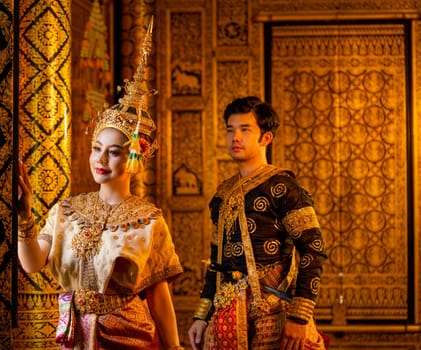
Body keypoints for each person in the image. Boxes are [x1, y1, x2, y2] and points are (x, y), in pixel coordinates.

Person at [17, 20, 184, 350]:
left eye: (113, 152)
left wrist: (175, 347)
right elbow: (33, 263)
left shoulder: (149, 220)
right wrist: (24, 216)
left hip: (128, 334)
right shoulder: (68, 210)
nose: (100, 160)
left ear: (133, 157)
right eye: (96, 149)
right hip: (76, 333)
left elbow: (158, 296)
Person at [188, 96, 329, 350]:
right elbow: (216, 262)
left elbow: (313, 250)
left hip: (274, 310)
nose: (235, 137)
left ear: (266, 138)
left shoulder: (284, 188)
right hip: (227, 312)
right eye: (230, 130)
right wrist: (201, 316)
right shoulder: (222, 194)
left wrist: (299, 316)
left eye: (245, 130)